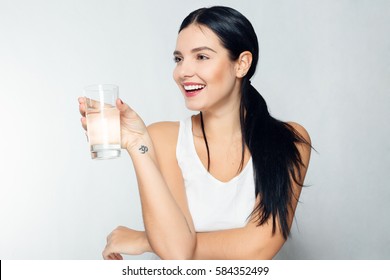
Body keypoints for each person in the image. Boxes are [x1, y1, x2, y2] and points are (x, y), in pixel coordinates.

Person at [78, 6, 312, 260]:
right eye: (179, 59)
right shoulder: (163, 139)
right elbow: (177, 253)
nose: (182, 72)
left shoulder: (289, 140)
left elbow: (258, 248)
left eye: (201, 57)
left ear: (242, 64)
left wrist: (146, 239)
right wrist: (137, 144)